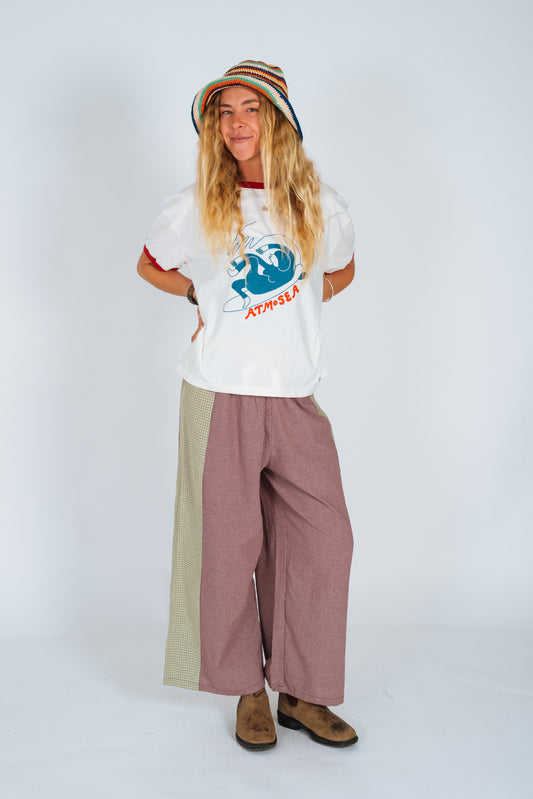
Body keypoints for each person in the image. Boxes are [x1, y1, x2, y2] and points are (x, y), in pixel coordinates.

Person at [137, 60, 358, 751]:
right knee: (227, 549)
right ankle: (245, 690)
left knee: (323, 539)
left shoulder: (319, 202)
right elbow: (149, 263)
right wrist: (198, 298)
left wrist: (299, 308)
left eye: (250, 108)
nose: (235, 123)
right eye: (223, 112)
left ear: (280, 119)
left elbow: (342, 268)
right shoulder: (195, 203)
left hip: (294, 395)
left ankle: (300, 690)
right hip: (219, 392)